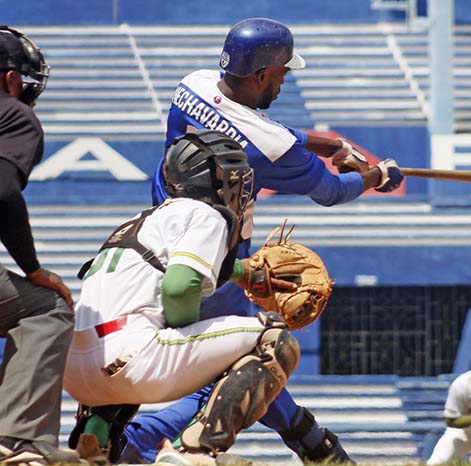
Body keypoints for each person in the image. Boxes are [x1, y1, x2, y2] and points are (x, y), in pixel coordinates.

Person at [118, 17, 404, 464]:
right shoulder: (268, 146)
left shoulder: (191, 85)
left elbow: (249, 123)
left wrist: (327, 144)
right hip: (212, 256)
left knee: (240, 361)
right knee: (248, 366)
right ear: (260, 75)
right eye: (282, 73)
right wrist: (374, 175)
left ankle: (315, 444)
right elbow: (330, 191)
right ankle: (141, 441)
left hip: (156, 235)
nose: (285, 80)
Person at [65, 129, 303, 466]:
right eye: (229, 172)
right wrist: (186, 330)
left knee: (131, 331)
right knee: (275, 339)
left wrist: (243, 272)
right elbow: (179, 286)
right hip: (133, 360)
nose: (236, 182)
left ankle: (96, 437)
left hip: (77, 372)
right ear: (210, 177)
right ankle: (193, 452)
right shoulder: (206, 214)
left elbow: (172, 265)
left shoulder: (140, 221)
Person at [0, 26, 80, 465]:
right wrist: (32, 268)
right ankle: (17, 442)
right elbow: (2, 192)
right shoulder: (14, 114)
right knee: (45, 310)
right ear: (11, 79)